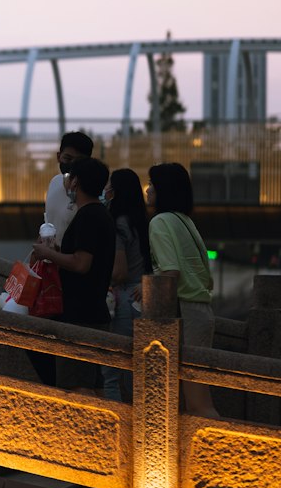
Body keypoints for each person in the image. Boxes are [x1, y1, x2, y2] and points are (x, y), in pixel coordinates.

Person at [30, 155, 115, 389]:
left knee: (77, 388)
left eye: (70, 178)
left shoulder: (89, 216)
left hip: (81, 316)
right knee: (84, 383)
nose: (67, 183)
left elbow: (81, 263)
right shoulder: (97, 214)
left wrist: (47, 254)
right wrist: (55, 250)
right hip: (89, 313)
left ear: (76, 182)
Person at [147, 162, 217, 417]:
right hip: (201, 311)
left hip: (183, 311)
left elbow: (170, 273)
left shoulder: (160, 221)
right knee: (195, 398)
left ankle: (219, 455)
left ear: (163, 190)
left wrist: (149, 300)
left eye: (153, 184)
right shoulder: (185, 221)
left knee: (197, 402)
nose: (148, 190)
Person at [101, 168, 152, 401]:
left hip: (123, 300)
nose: (106, 190)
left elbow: (119, 271)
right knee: (137, 374)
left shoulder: (118, 222)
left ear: (116, 191)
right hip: (142, 299)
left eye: (110, 185)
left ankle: (115, 432)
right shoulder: (141, 221)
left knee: (110, 374)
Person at [43, 131, 93, 238]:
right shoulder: (55, 182)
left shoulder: (92, 192)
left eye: (79, 161)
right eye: (68, 158)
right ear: (58, 156)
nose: (72, 165)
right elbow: (50, 223)